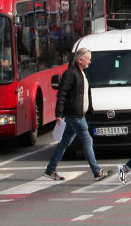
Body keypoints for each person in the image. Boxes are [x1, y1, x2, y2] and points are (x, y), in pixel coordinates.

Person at [44, 48, 112, 181]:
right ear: (79, 60)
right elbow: (62, 93)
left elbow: (86, 94)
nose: (90, 62)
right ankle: (97, 171)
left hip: (79, 114)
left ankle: (50, 169)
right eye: (88, 59)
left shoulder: (82, 73)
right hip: (74, 115)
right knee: (87, 140)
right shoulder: (70, 73)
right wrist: (58, 113)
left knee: (65, 142)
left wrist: (90, 110)